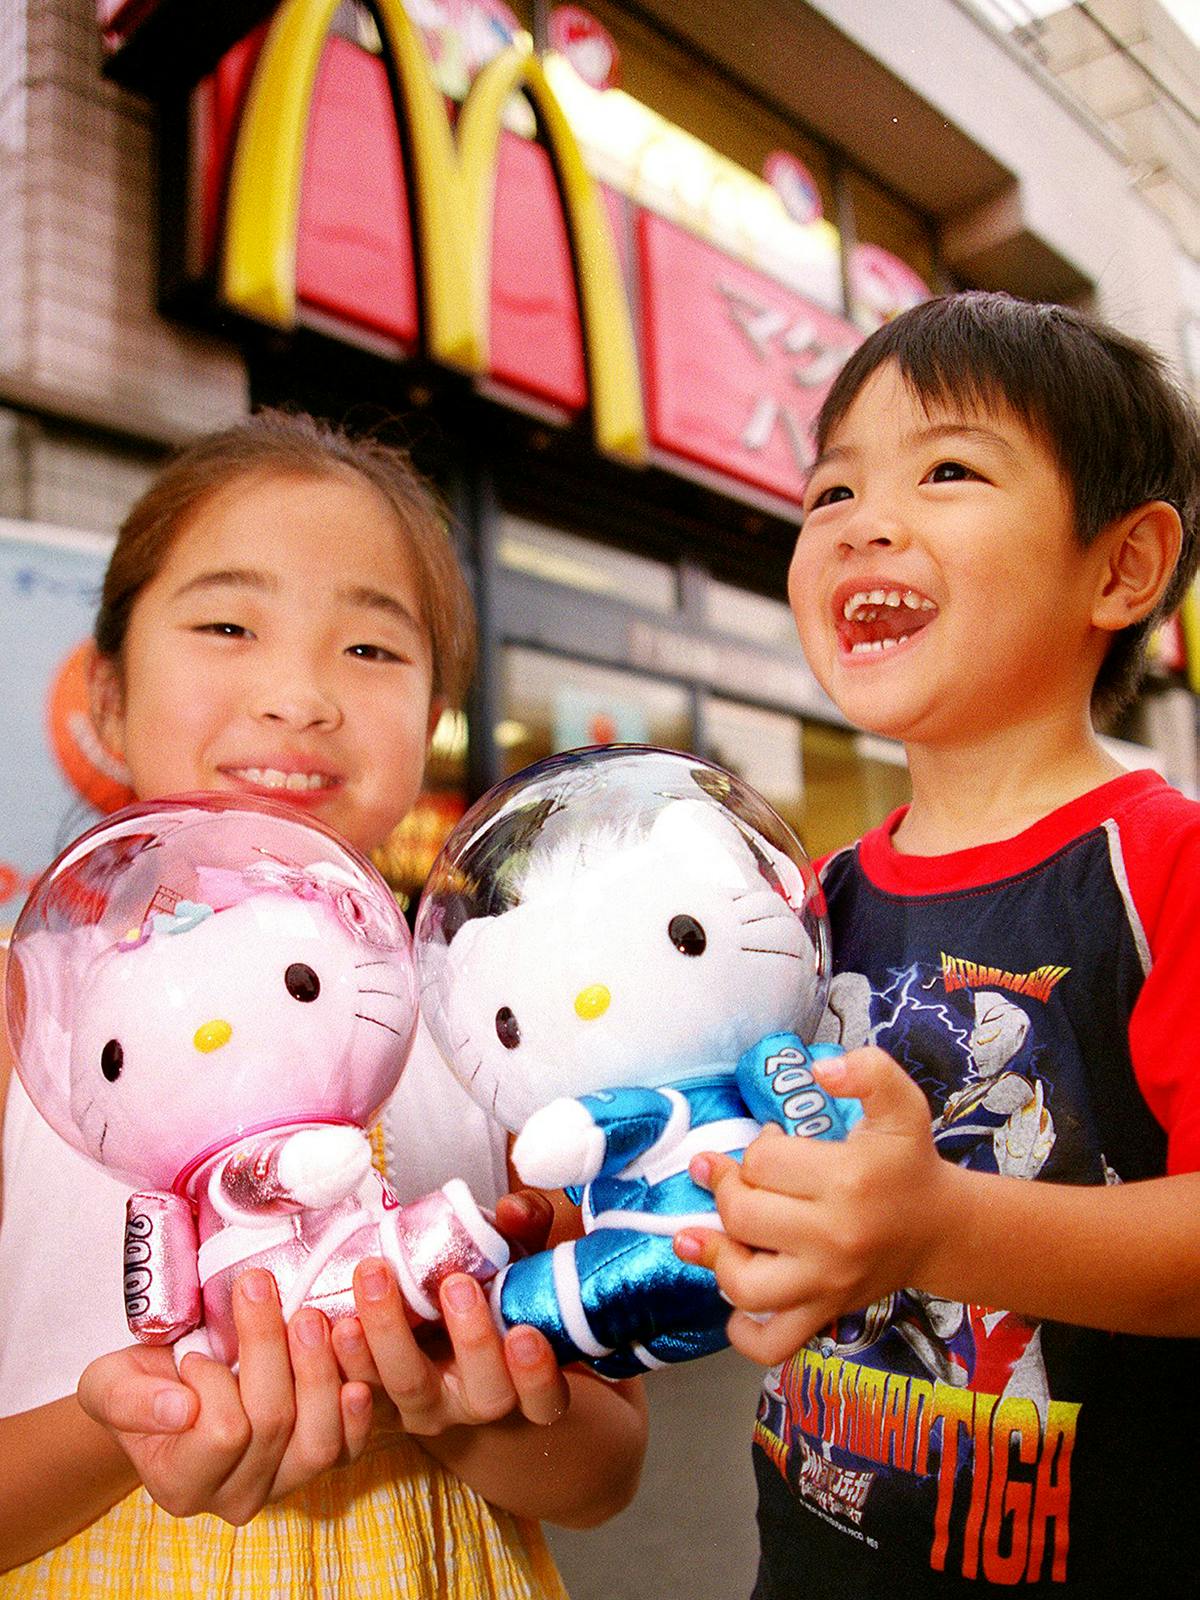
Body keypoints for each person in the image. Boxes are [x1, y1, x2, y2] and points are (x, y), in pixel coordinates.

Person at [0, 410, 647, 1597]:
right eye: (228, 624)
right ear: (104, 691)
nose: (299, 696)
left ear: (437, 714)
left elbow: (607, 1463)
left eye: (371, 649)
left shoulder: (492, 1013)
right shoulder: (20, 1013)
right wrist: (122, 1428)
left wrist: (452, 1405)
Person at [673, 292, 1200, 1596]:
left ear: (1122, 568)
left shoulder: (1162, 868)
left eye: (948, 469)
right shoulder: (806, 902)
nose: (867, 520)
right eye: (830, 490)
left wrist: (942, 1228)